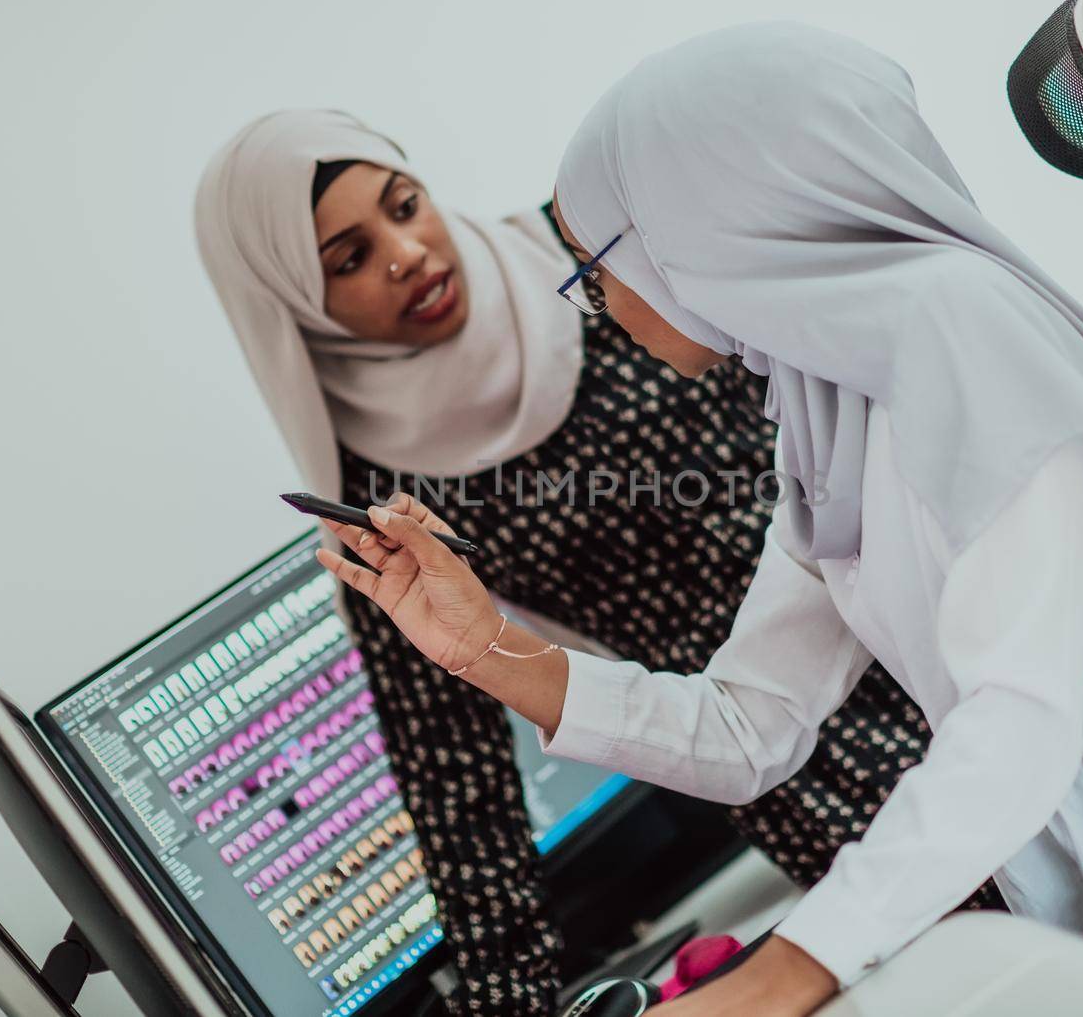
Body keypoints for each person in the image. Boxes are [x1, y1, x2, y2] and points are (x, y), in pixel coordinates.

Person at [314, 25, 1083, 1014]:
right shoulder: (825, 402)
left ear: (706, 224)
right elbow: (750, 727)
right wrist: (487, 649)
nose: (598, 303)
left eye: (596, 266)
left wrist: (785, 973)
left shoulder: (952, 325)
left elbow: (1017, 718)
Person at [193, 111, 982, 1015]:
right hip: (797, 767)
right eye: (349, 259)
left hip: (945, 640)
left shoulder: (601, 257)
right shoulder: (383, 497)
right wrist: (515, 1008)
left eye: (404, 206)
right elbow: (459, 786)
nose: (406, 253)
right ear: (299, 305)